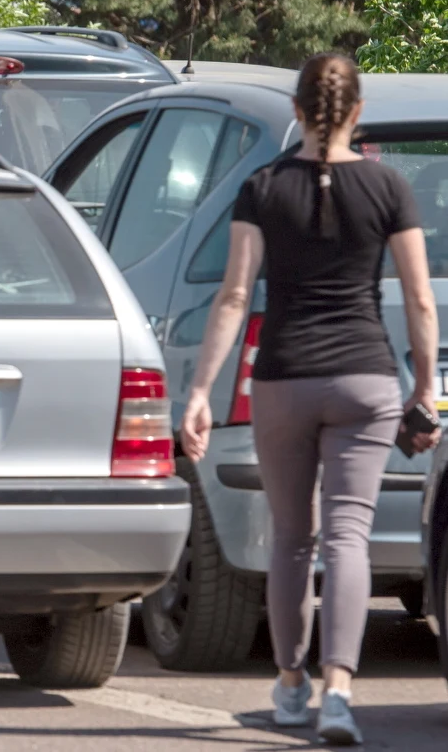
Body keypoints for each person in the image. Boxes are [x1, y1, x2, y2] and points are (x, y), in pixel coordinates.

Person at [180, 53, 440, 746]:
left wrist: (201, 391)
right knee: (349, 535)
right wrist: (428, 388)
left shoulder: (262, 188)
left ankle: (290, 685)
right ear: (357, 113)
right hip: (364, 380)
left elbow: (236, 295)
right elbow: (418, 296)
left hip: (285, 379)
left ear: (296, 111)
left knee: (294, 538)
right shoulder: (390, 186)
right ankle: (339, 693)